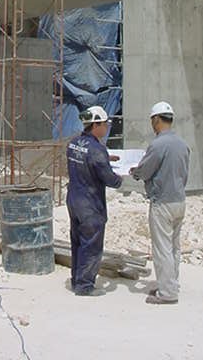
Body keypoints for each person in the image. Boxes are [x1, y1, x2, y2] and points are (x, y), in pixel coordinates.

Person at [130, 101, 190, 305]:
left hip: (162, 202)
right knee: (174, 247)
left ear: (156, 119)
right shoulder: (182, 144)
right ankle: (172, 283)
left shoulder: (157, 145)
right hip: (179, 200)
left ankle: (167, 293)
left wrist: (134, 172)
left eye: (152, 121)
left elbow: (145, 170)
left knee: (162, 248)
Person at [66, 105, 123, 296]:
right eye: (105, 124)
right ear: (95, 124)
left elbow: (88, 158)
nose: (107, 127)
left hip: (74, 200)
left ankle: (76, 280)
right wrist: (120, 178)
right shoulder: (97, 150)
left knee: (78, 241)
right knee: (92, 244)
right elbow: (110, 179)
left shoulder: (73, 143)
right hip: (91, 205)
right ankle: (84, 286)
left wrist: (106, 156)